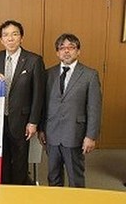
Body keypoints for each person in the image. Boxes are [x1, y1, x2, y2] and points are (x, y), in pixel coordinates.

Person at [0, 20, 45, 185]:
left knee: (19, 161)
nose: (10, 38)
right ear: (1, 40)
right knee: (2, 157)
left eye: (14, 34)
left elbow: (38, 95)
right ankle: (4, 190)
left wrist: (33, 122)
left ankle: (19, 193)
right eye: (6, 35)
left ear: (21, 37)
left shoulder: (34, 60)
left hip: (22, 120)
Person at [38, 33, 102, 188]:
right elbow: (43, 104)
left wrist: (91, 136)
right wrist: (41, 129)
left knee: (76, 178)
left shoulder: (89, 75)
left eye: (71, 47)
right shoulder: (48, 74)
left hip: (75, 134)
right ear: (57, 52)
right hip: (51, 134)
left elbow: (94, 107)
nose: (66, 51)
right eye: (62, 48)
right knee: (53, 177)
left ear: (78, 51)